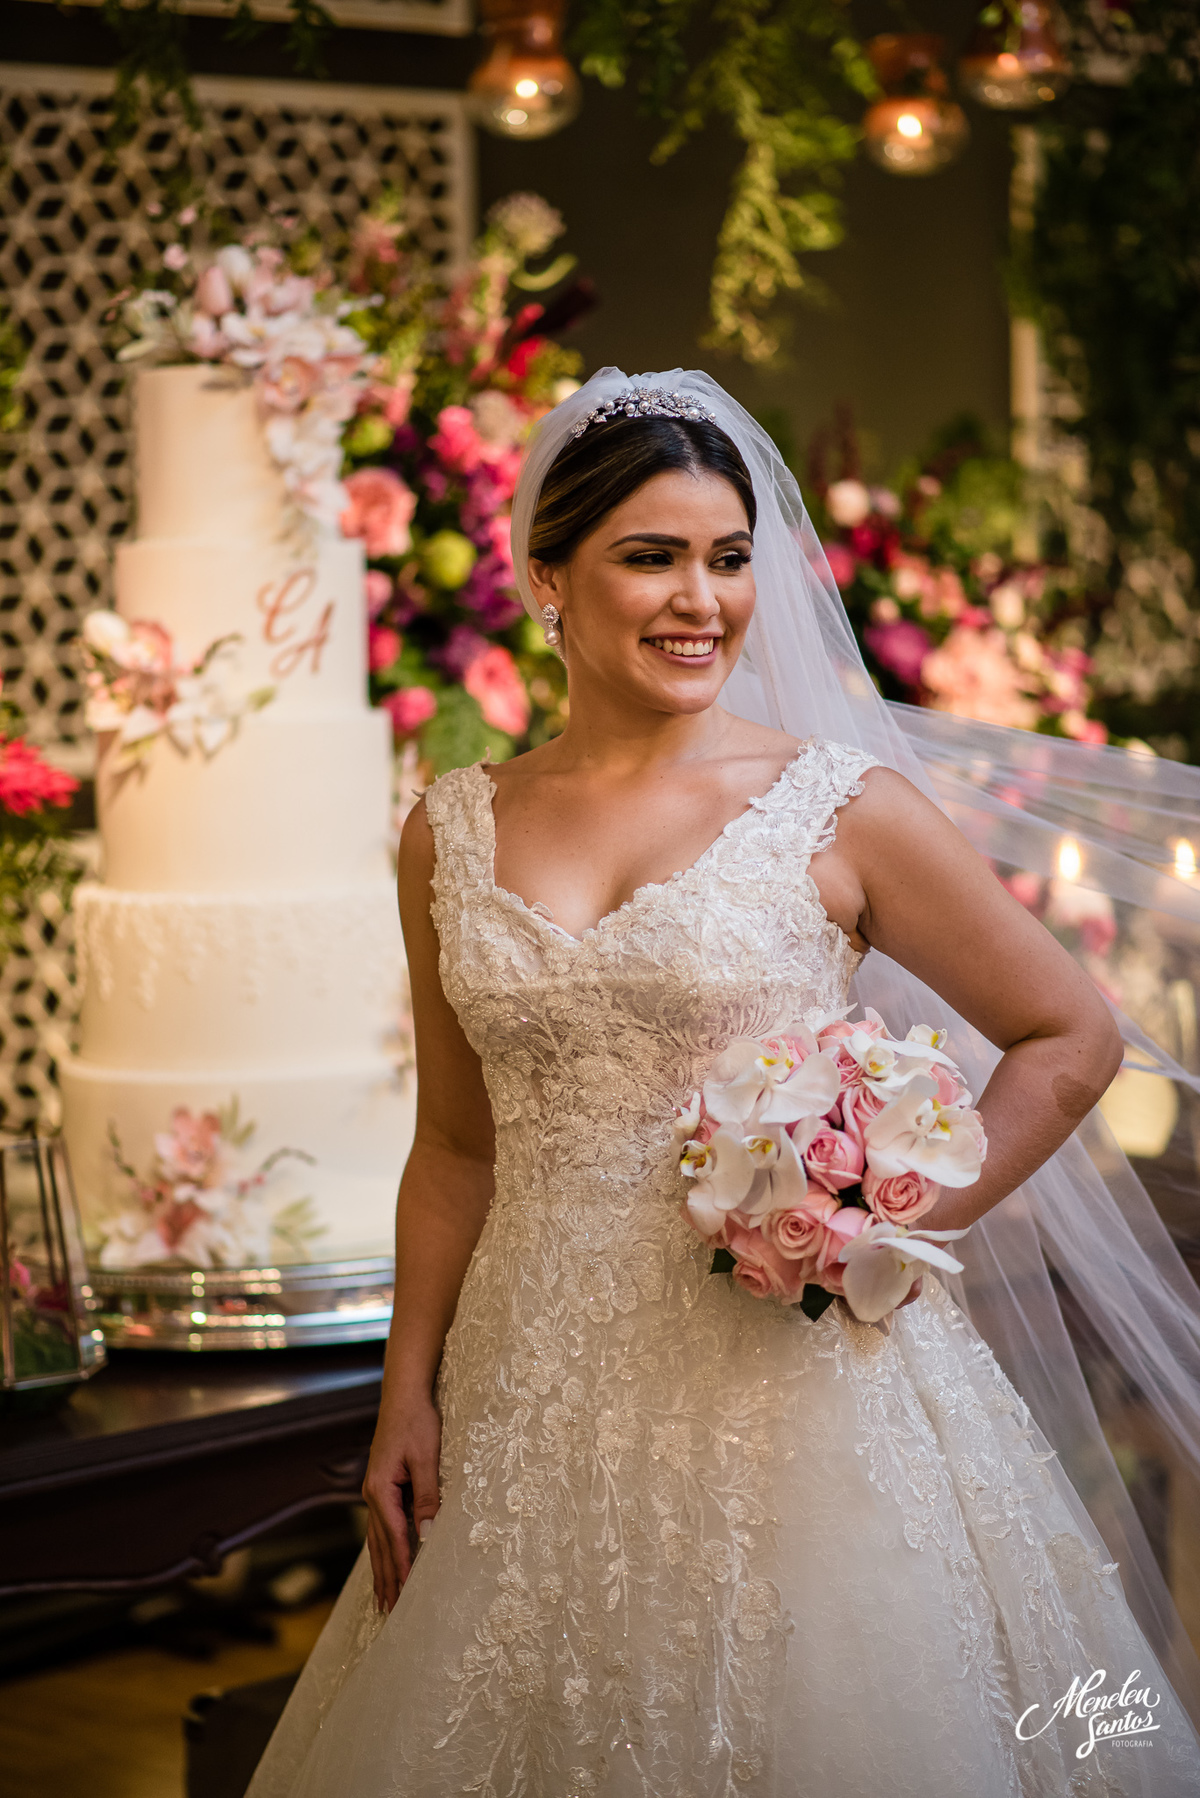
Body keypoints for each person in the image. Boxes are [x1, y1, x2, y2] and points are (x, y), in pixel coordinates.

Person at [247, 371, 1200, 1796]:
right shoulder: (448, 831)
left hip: (796, 1391)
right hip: (533, 1396)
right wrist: (406, 1391)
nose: (704, 599)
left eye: (730, 557)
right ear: (549, 577)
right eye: (652, 556)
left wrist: (890, 1212)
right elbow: (457, 1144)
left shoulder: (840, 806)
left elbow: (1072, 1035)